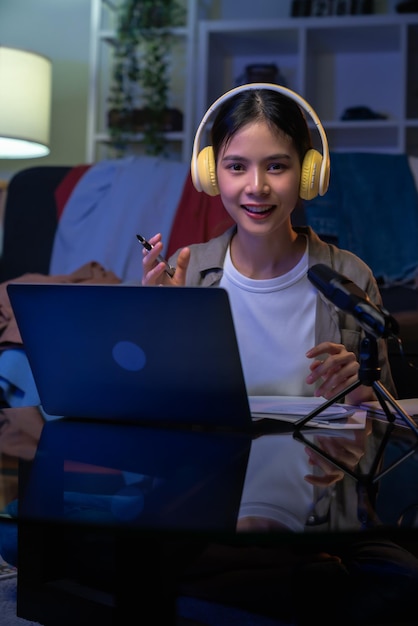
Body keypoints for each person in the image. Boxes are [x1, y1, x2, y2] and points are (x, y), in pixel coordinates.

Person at [142, 83, 396, 405]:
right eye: (236, 167)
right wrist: (159, 323)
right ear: (210, 175)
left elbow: (391, 425)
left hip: (322, 457)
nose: (257, 187)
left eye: (276, 166)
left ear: (309, 174)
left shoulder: (351, 276)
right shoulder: (184, 273)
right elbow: (155, 409)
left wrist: (363, 397)